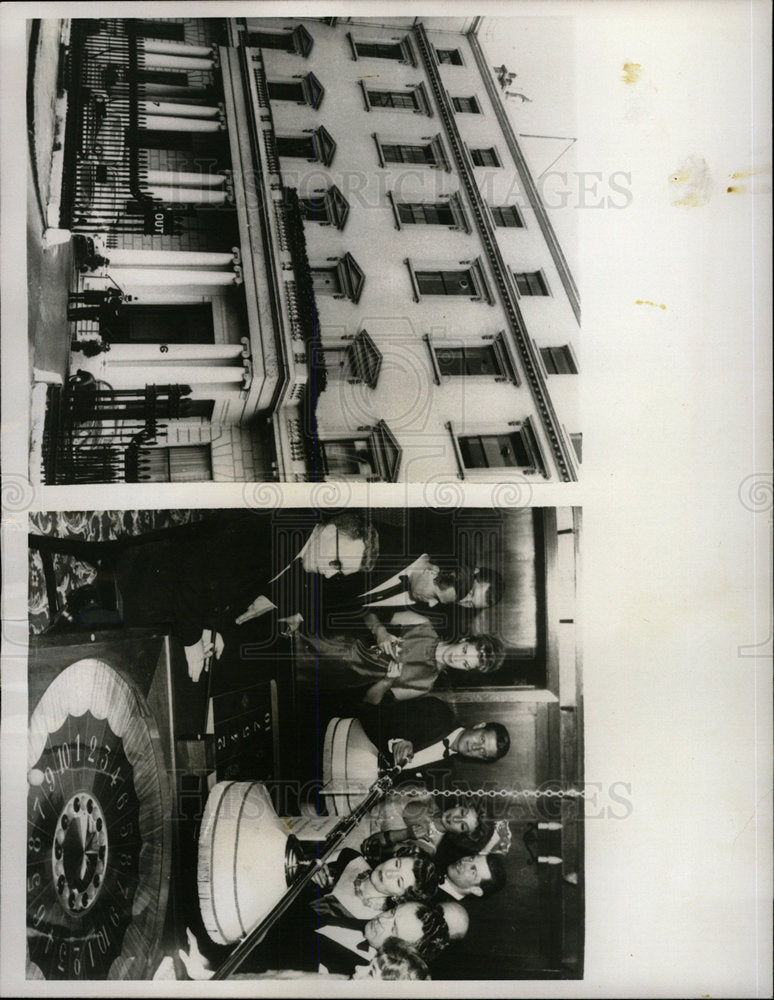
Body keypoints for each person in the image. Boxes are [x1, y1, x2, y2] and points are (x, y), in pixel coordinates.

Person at [29, 510, 379, 682]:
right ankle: (50, 648)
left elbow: (227, 596)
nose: (331, 573)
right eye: (336, 561)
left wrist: (215, 631)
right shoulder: (269, 529)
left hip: (175, 593)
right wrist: (193, 639)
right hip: (148, 572)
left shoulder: (299, 560)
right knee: (133, 657)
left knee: (161, 665)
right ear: (329, 529)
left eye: (339, 573)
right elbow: (194, 582)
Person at [295, 617, 505, 704]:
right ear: (465, 639)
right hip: (329, 640)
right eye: (465, 650)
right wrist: (381, 633)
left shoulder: (424, 685)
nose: (457, 658)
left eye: (466, 663)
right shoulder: (423, 626)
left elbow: (370, 701)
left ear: (466, 670)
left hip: (331, 677)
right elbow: (368, 611)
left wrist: (386, 681)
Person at [174, 928, 430, 981]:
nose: (358, 969)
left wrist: (205, 980)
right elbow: (269, 980)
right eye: (369, 964)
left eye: (370, 972)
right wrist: (207, 972)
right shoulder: (340, 982)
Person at [357, 696, 511, 782]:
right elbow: (386, 714)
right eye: (482, 739)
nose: (475, 748)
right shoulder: (439, 712)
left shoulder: (445, 771)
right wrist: (398, 740)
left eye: (483, 753)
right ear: (479, 726)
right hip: (356, 737)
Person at [307, 845, 437, 920]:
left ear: (400, 897)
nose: (389, 872)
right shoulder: (349, 856)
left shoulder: (371, 922)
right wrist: (310, 866)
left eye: (399, 881)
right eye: (397, 863)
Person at [437, 853, 507, 900]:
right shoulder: (439, 860)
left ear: (476, 890)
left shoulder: (442, 906)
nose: (464, 862)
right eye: (471, 858)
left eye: (473, 870)